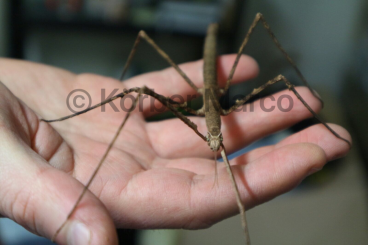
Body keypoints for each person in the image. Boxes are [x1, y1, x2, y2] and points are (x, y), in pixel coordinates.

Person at [0, 55, 351, 245]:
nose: (215, 146)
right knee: (135, 96)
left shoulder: (219, 126)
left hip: (216, 105)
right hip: (206, 106)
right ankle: (63, 114)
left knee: (281, 83)